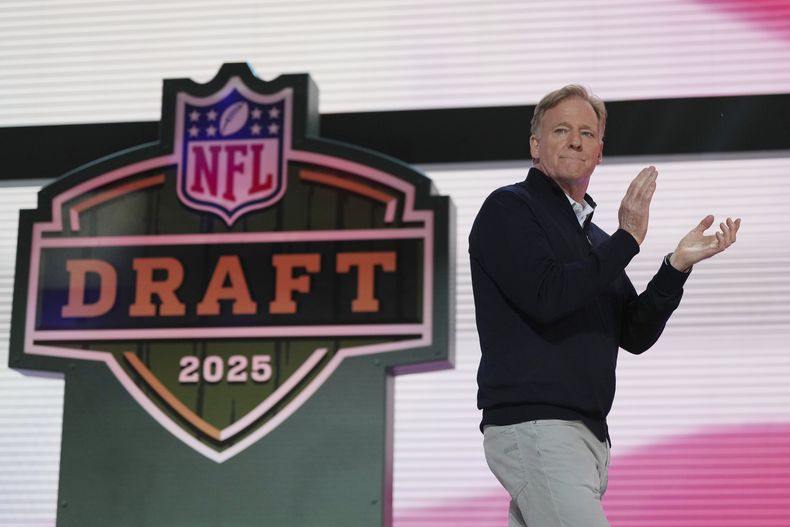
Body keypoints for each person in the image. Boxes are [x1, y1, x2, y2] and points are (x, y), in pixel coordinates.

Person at [468, 84, 740, 526]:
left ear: (600, 152)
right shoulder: (509, 209)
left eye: (587, 133)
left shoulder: (593, 241)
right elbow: (548, 296)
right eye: (561, 130)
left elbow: (632, 333)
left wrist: (674, 267)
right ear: (536, 146)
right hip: (538, 426)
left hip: (586, 436)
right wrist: (627, 239)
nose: (575, 140)